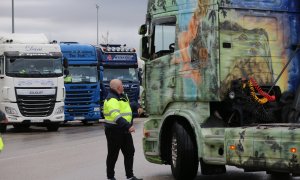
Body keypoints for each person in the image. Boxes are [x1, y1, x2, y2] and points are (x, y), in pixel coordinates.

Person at [103, 79, 143, 180]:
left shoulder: (122, 96)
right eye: (121, 85)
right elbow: (116, 116)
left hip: (124, 130)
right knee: (113, 154)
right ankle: (110, 177)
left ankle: (129, 176)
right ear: (117, 87)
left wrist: (138, 106)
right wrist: (128, 126)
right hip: (114, 131)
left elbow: (129, 106)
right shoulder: (111, 99)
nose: (123, 86)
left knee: (130, 152)